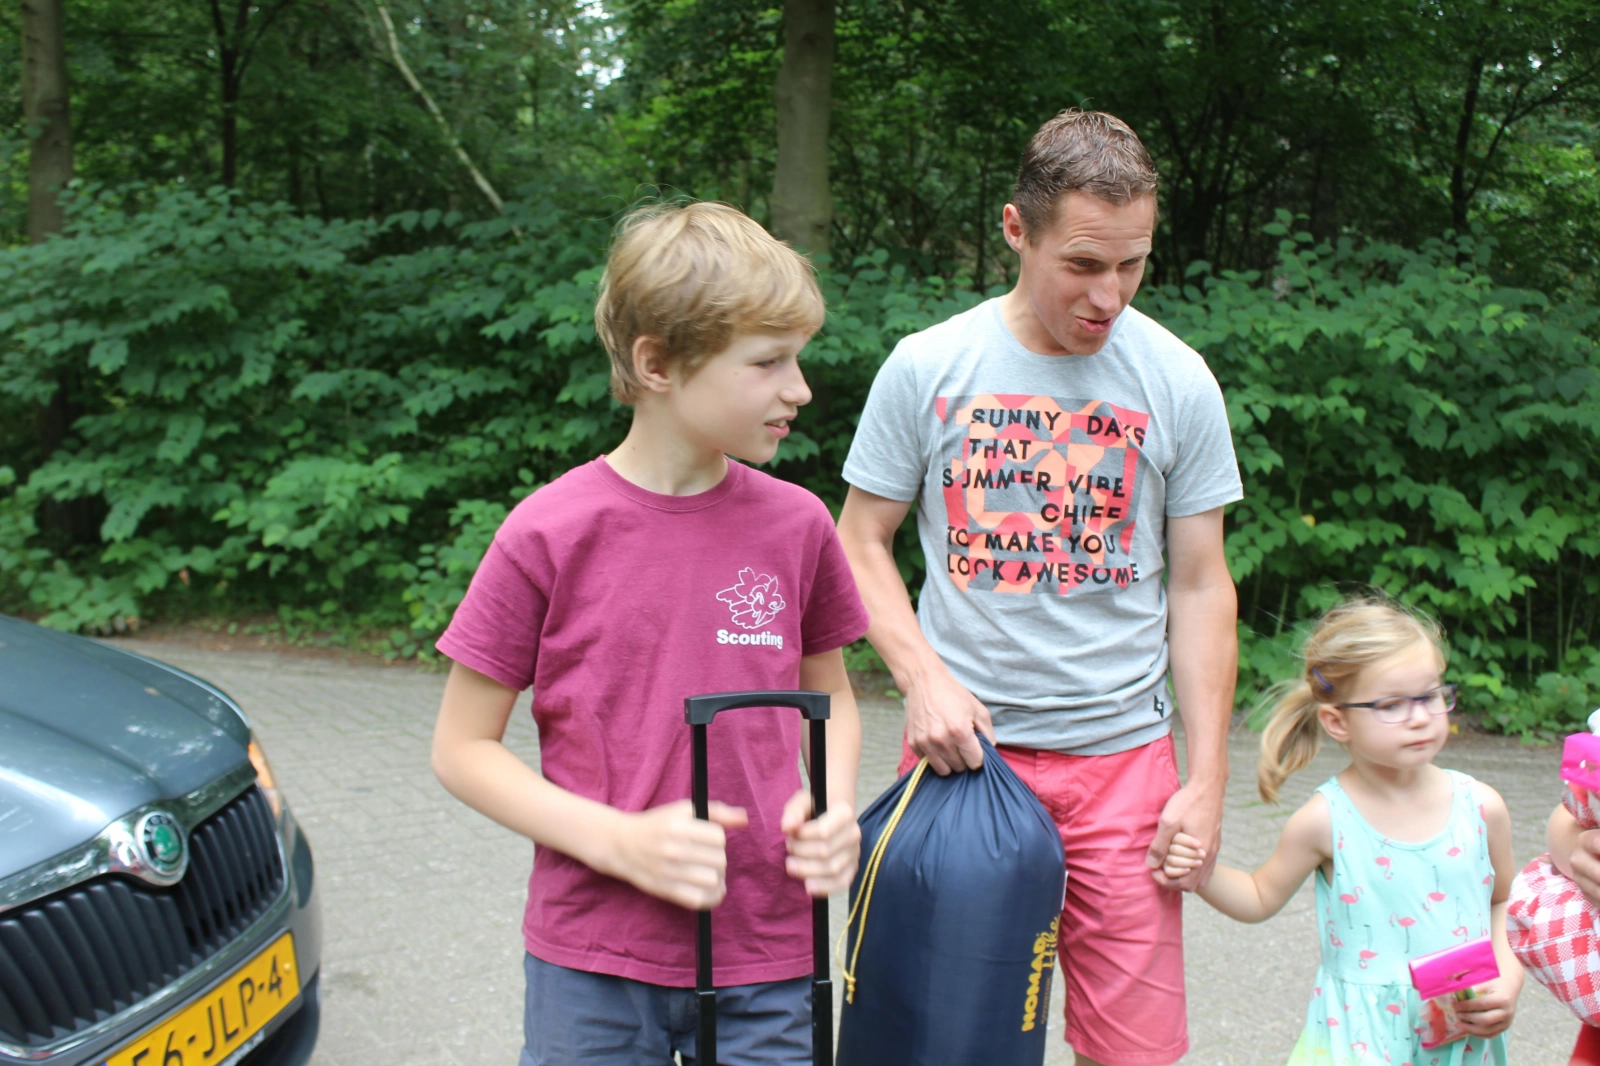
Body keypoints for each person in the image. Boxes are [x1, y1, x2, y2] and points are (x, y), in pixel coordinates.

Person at [836, 108, 1241, 1066]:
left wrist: (1208, 778)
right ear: (1016, 229)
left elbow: (1200, 585)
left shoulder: (1177, 380)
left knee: (1136, 1053)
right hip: (963, 764)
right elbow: (860, 539)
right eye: (1085, 264)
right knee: (945, 1039)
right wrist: (922, 679)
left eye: (1133, 264)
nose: (1110, 295)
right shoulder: (931, 366)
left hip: (1124, 764)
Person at [430, 201, 870, 1066]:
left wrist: (835, 801)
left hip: (770, 958)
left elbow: (834, 701)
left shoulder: (799, 525)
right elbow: (461, 749)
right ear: (657, 362)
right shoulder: (547, 532)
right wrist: (617, 841)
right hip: (592, 961)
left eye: (800, 358)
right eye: (769, 361)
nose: (800, 388)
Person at [1162, 596, 1522, 1064]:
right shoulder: (1326, 819)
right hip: (1358, 1038)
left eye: (1430, 695)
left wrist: (1508, 979)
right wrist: (1200, 870)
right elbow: (1257, 896)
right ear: (1336, 722)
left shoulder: (1481, 807)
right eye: (1391, 704)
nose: (1419, 717)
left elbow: (1506, 903)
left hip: (1460, 1033)